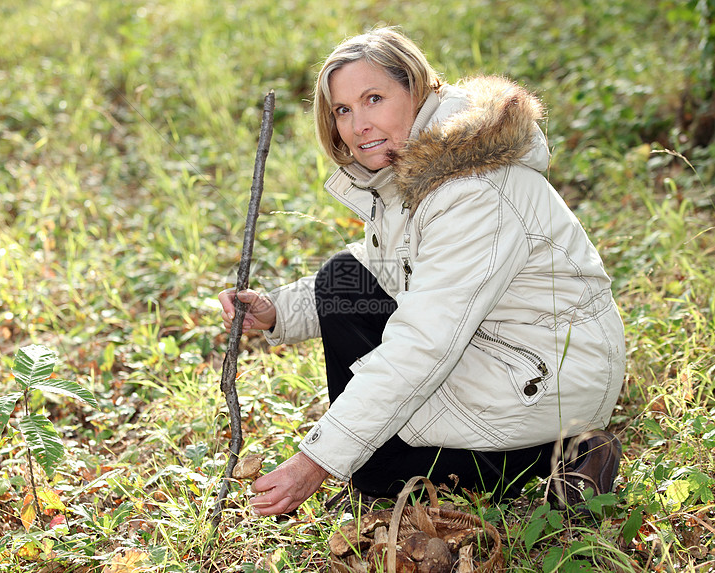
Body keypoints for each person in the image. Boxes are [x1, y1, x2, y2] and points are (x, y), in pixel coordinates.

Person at [218, 27, 625, 517]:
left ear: (418, 88)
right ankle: (401, 455)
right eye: (343, 110)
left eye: (374, 99)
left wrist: (317, 460)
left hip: (548, 375)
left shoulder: (474, 188)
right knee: (340, 281)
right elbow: (379, 267)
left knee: (371, 466)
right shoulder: (418, 168)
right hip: (501, 348)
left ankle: (564, 455)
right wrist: (278, 310)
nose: (358, 124)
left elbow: (424, 342)